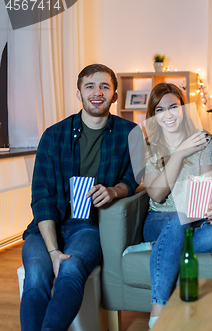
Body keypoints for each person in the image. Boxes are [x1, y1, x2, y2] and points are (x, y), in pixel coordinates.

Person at [20, 64, 139, 331]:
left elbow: (133, 180)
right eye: (90, 86)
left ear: (115, 95)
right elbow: (42, 198)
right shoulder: (53, 136)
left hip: (89, 226)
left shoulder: (130, 133)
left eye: (105, 86)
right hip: (45, 228)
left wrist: (113, 191)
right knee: (36, 275)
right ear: (79, 94)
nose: (97, 92)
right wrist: (53, 251)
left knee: (70, 271)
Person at [133, 83, 212, 328]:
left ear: (183, 108)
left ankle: (160, 245)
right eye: (160, 110)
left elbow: (211, 188)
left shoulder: (203, 139)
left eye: (174, 107)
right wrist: (179, 154)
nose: (168, 114)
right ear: (154, 115)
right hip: (160, 220)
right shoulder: (149, 144)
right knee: (178, 219)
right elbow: (156, 194)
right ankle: (159, 312)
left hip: (194, 223)